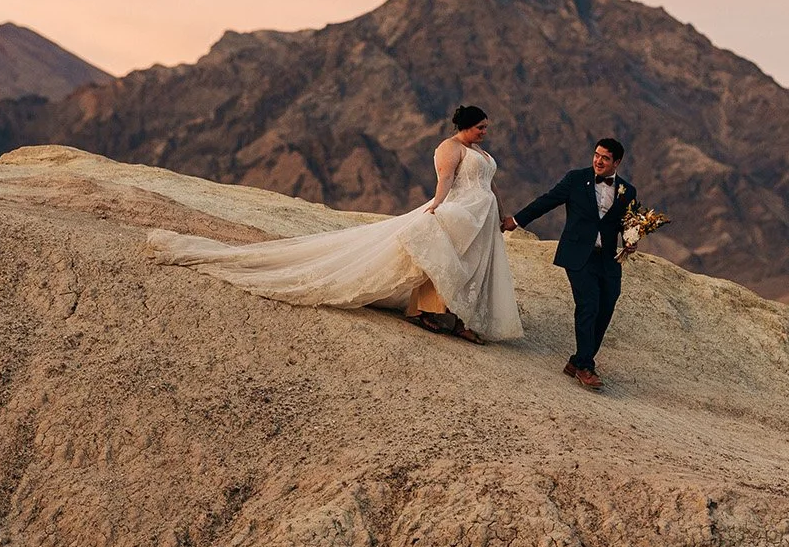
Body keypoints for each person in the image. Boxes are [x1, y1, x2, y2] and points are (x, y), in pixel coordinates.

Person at [147, 104, 522, 343]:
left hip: (481, 214)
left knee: (469, 262)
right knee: (441, 256)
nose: (484, 132)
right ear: (466, 127)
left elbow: (491, 185)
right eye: (481, 127)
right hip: (458, 208)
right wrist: (436, 206)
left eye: (485, 128)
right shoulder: (449, 148)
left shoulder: (478, 151)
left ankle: (455, 314)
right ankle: (433, 313)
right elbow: (444, 181)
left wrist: (503, 214)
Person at [501, 138, 634, 390]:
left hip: (607, 259)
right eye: (596, 155)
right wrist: (516, 221)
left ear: (617, 162)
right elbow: (547, 201)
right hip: (578, 255)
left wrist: (631, 240)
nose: (598, 161)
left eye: (605, 158)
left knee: (606, 307)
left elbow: (627, 224)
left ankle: (577, 360)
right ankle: (585, 366)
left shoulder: (628, 191)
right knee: (588, 304)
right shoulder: (576, 179)